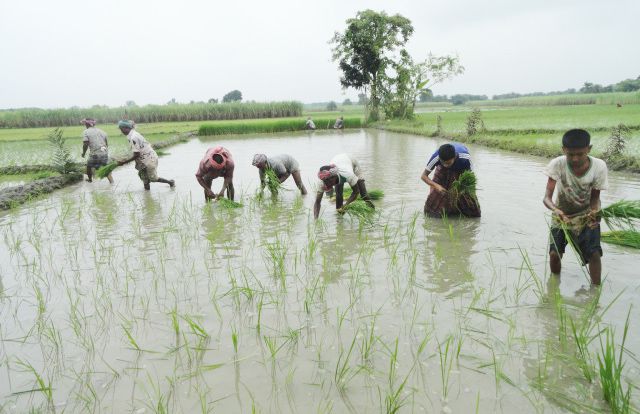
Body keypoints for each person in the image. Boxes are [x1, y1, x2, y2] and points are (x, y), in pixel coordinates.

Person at [543, 129, 608, 285]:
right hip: (561, 213)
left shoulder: (599, 166)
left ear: (589, 149)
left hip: (586, 214)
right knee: (554, 254)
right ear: (563, 150)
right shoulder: (557, 164)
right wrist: (556, 210)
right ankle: (554, 286)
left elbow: (595, 199)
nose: (575, 158)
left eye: (580, 154)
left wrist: (594, 213)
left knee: (594, 253)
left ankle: (595, 290)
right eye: (570, 155)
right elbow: (546, 198)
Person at [421, 142, 481, 218]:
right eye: (443, 162)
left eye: (448, 163)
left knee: (466, 197)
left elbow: (470, 179)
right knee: (436, 195)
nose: (445, 165)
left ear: (455, 157)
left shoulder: (465, 158)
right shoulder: (436, 158)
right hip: (442, 170)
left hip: (461, 169)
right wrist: (436, 186)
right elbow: (423, 176)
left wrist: (465, 189)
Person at [117, 120, 175, 190]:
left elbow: (136, 155)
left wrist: (123, 162)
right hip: (143, 159)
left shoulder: (133, 137)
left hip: (149, 159)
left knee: (153, 178)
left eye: (121, 129)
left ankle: (170, 182)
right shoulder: (131, 135)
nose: (121, 131)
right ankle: (147, 195)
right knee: (145, 180)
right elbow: (137, 151)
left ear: (126, 128)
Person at [313, 153, 373, 219]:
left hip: (351, 162)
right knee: (338, 195)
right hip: (338, 162)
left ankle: (372, 211)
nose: (326, 184)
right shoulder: (322, 181)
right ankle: (340, 222)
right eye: (325, 181)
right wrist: (316, 220)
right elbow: (317, 202)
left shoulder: (347, 174)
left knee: (363, 194)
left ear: (334, 177)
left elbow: (356, 192)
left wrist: (346, 205)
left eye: (328, 181)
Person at [80, 118, 113, 183]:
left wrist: (83, 153)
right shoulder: (102, 131)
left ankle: (90, 180)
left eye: (85, 124)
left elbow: (85, 144)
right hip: (104, 153)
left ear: (86, 124)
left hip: (94, 154)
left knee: (89, 166)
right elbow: (106, 144)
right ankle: (111, 182)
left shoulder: (86, 132)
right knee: (105, 168)